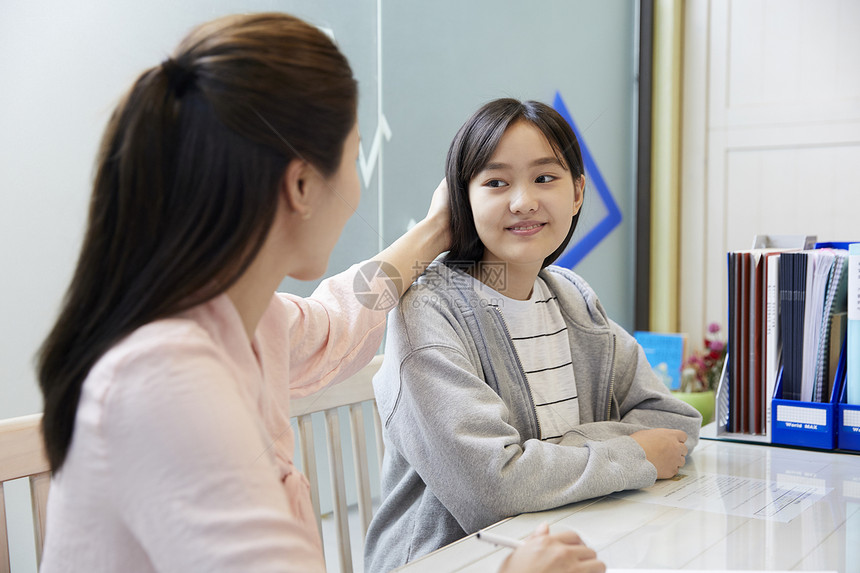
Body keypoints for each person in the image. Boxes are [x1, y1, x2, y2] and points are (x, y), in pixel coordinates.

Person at [36, 13, 602, 573]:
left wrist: (435, 230)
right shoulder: (168, 382)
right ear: (302, 184)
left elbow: (340, 316)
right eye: (356, 156)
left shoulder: (245, 322)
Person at [364, 98, 702, 573]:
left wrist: (548, 456)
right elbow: (494, 490)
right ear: (465, 199)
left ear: (578, 193)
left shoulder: (572, 296)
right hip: (453, 559)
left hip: (571, 539)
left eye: (545, 178)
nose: (523, 201)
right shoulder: (427, 310)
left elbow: (676, 423)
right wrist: (631, 453)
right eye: (496, 182)